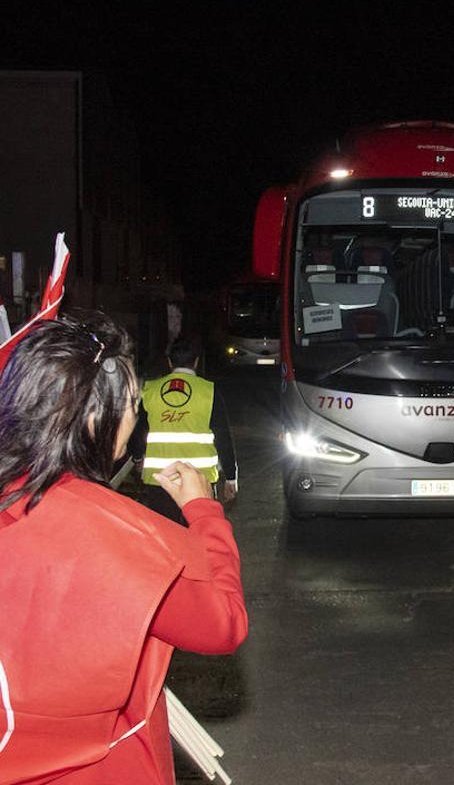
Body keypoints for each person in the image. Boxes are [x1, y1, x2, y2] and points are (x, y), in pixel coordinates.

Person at [0, 312, 247, 784]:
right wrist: (204, 511)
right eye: (132, 404)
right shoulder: (124, 539)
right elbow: (223, 623)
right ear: (94, 416)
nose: (136, 417)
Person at [130, 335, 238, 522]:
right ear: (196, 362)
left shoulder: (151, 390)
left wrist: (138, 458)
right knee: (197, 537)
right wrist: (230, 477)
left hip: (160, 481)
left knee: (166, 540)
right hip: (199, 482)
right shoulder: (208, 391)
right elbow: (223, 438)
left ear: (170, 361)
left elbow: (138, 432)